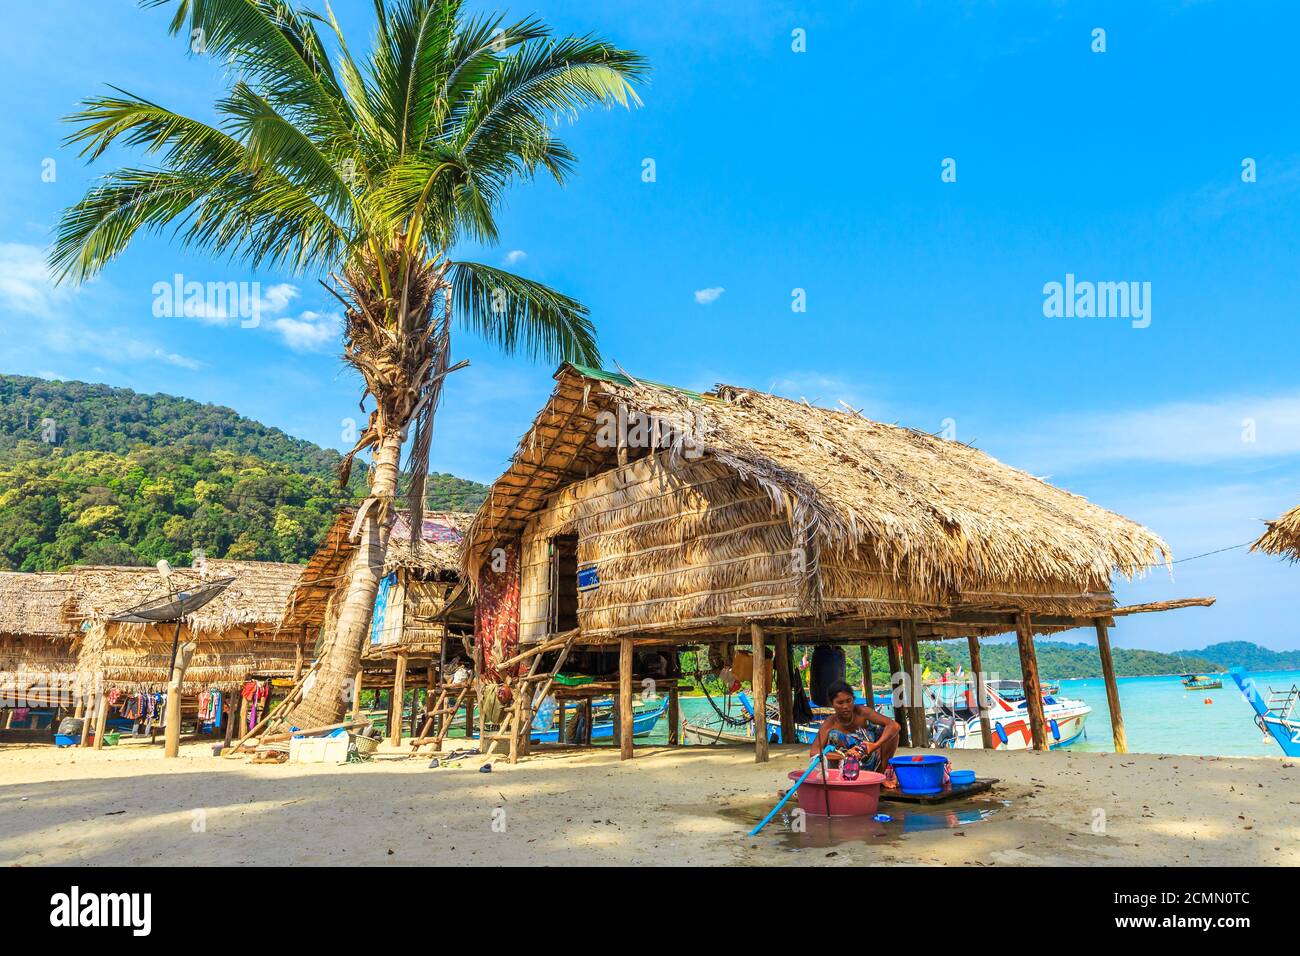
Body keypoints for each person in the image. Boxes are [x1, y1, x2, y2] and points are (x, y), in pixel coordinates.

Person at [810, 679, 901, 784]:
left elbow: (894, 726)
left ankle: (880, 776)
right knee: (833, 735)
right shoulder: (830, 723)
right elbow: (814, 752)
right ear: (832, 704)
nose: (845, 706)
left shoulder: (862, 712)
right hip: (845, 766)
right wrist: (844, 755)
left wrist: (875, 745)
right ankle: (843, 778)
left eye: (848, 701)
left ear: (853, 699)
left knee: (892, 734)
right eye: (840, 703)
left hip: (870, 758)